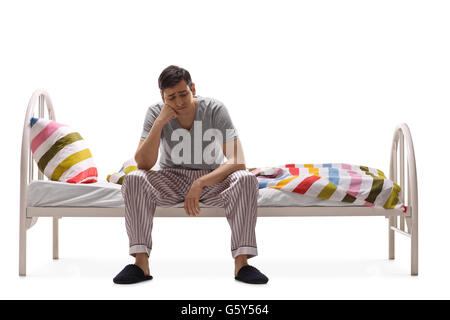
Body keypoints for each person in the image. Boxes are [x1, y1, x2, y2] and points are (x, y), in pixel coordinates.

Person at [113, 65, 268, 285]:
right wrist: (160, 122)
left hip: (211, 179)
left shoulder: (214, 109)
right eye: (171, 97)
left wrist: (200, 183)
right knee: (134, 179)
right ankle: (140, 264)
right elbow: (144, 163)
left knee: (246, 179)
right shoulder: (155, 112)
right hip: (171, 178)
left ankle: (242, 264)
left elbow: (238, 161)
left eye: (183, 94)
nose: (179, 102)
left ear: (192, 88)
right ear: (162, 97)